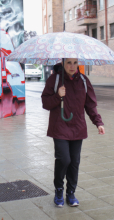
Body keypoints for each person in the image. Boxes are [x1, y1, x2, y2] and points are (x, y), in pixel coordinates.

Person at [41, 58, 105, 207]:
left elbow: (90, 104)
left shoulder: (83, 80)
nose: (72, 66)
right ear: (63, 63)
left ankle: (70, 193)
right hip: (60, 127)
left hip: (77, 127)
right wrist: (58, 95)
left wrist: (98, 122)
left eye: (75, 62)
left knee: (74, 162)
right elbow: (45, 103)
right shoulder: (55, 79)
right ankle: (58, 189)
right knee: (64, 159)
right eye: (68, 62)